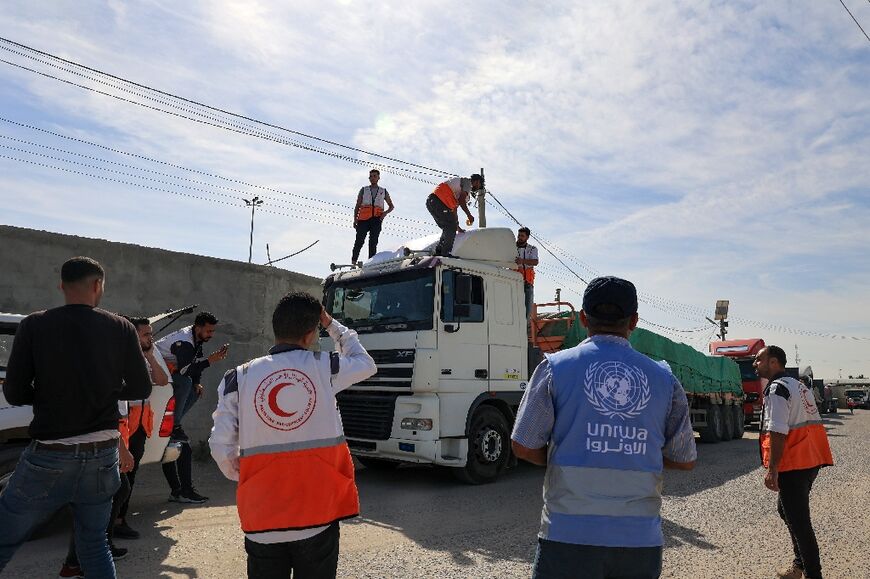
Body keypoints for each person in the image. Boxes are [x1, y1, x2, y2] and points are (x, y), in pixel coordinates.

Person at [511, 276, 697, 579]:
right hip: (639, 541)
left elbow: (523, 445)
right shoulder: (664, 379)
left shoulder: (554, 368)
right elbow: (685, 458)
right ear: (633, 320)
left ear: (583, 318)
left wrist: (575, 450)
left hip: (568, 535)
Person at [0, 257, 151, 578]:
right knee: (94, 544)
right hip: (102, 456)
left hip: (50, 454)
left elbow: (14, 393)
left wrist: (51, 397)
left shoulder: (34, 325)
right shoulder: (120, 327)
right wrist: (103, 394)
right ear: (98, 285)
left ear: (62, 287)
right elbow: (141, 386)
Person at [209, 291, 376, 579]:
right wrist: (333, 325)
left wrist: (253, 477)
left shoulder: (238, 377)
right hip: (318, 516)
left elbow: (220, 446)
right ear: (311, 334)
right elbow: (365, 363)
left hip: (261, 518)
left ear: (275, 329)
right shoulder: (325, 367)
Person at [754, 345, 833, 579]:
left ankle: (812, 573)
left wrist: (773, 470)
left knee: (800, 523)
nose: (755, 364)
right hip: (810, 459)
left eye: (759, 360)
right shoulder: (798, 385)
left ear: (774, 362)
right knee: (785, 510)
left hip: (794, 462)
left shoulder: (777, 390)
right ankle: (799, 566)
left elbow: (777, 431)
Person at [155, 311, 228, 504]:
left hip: (167, 385)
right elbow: (185, 370)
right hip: (155, 383)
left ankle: (178, 491)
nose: (211, 335)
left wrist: (198, 381)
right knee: (186, 383)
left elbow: (195, 365)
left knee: (194, 388)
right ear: (198, 327)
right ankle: (175, 424)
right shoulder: (185, 342)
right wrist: (210, 362)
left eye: (212, 331)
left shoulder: (196, 341)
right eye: (208, 330)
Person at [114, 317, 171, 539]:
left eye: (151, 333)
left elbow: (163, 380)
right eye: (146, 334)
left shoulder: (146, 358)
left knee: (131, 472)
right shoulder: (117, 357)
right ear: (132, 335)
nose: (151, 337)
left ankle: (119, 520)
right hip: (120, 423)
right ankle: (107, 525)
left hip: (139, 424)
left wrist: (149, 357)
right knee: (117, 476)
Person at [425, 174, 483, 257]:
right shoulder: (467, 183)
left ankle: (439, 251)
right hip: (439, 202)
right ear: (477, 181)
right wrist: (469, 215)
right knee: (450, 227)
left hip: (432, 202)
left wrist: (457, 226)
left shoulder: (459, 187)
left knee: (448, 227)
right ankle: (445, 253)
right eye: (479, 185)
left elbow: (454, 211)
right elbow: (461, 201)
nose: (477, 188)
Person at [351, 169, 394, 264]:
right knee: (359, 241)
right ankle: (353, 262)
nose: (372, 178)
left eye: (375, 176)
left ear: (378, 178)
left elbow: (391, 206)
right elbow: (358, 205)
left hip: (376, 219)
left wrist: (385, 213)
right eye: (371, 176)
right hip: (363, 219)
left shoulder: (383, 191)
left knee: (373, 243)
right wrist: (355, 219)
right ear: (369, 178)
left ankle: (370, 263)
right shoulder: (364, 190)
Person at [515, 227, 539, 319]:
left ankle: (525, 328)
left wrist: (522, 261)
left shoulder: (532, 249)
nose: (519, 237)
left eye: (522, 236)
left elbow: (535, 262)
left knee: (527, 310)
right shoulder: (512, 247)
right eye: (519, 235)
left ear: (527, 237)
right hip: (514, 282)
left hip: (527, 283)